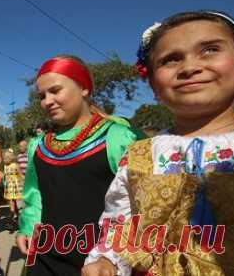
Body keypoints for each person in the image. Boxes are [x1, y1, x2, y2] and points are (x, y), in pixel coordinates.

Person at [82, 11, 234, 276]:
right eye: (171, 59)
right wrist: (107, 261)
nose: (189, 67)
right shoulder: (140, 155)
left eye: (210, 50)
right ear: (154, 85)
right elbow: (122, 222)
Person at [16, 55, 144, 275]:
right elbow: (35, 192)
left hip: (100, 261)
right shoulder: (37, 145)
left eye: (55, 91)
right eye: (42, 96)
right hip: (46, 258)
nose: (47, 101)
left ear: (84, 88)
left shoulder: (118, 138)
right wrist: (28, 226)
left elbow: (139, 205)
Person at [3, 149, 23, 221]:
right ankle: (15, 214)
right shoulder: (5, 166)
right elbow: (4, 176)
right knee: (12, 201)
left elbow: (20, 175)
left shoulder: (15, 165)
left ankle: (13, 214)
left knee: (13, 201)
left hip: (15, 185)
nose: (4, 160)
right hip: (9, 186)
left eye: (6, 158)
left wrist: (24, 182)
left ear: (11, 158)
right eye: (4, 158)